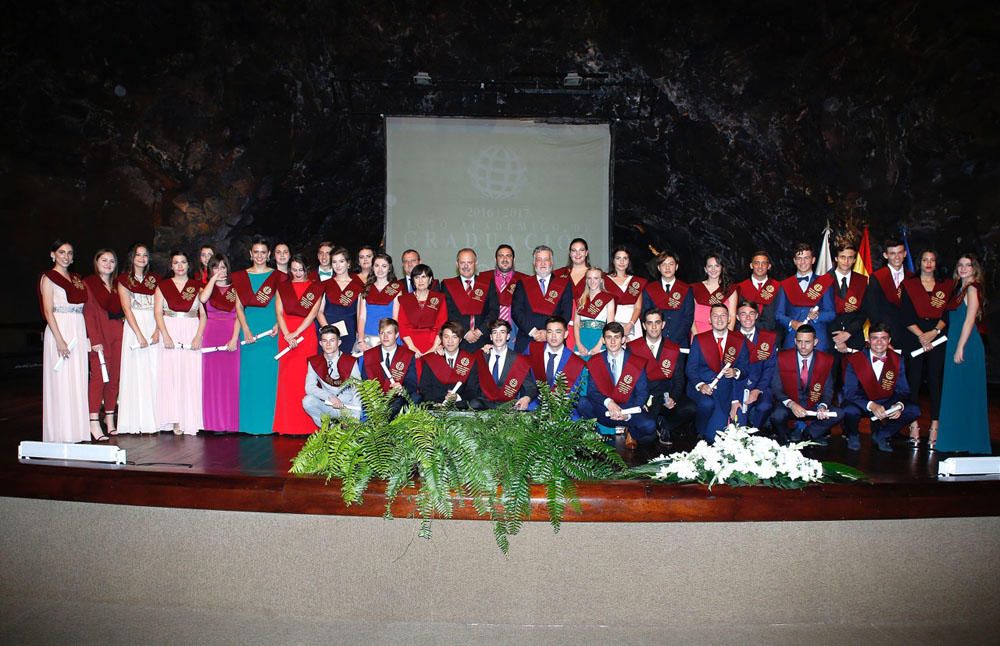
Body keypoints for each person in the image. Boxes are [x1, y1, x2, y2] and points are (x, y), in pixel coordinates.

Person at [937, 254, 990, 454]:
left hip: (967, 344)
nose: (964, 268)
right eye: (960, 265)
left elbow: (969, 321)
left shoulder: (972, 288)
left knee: (967, 393)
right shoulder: (959, 289)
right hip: (957, 342)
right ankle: (957, 440)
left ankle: (969, 441)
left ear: (975, 269)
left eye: (968, 265)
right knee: (957, 392)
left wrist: (960, 347)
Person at [900, 250, 953, 448]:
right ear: (918, 262)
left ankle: (935, 426)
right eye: (925, 260)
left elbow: (947, 314)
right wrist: (921, 335)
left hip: (937, 338)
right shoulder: (909, 285)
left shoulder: (946, 286)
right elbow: (905, 315)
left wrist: (934, 333)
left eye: (932, 260)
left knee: (935, 381)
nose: (929, 263)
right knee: (912, 382)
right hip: (915, 338)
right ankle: (913, 425)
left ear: (937, 263)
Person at [40, 240, 91, 442]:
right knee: (61, 379)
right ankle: (61, 432)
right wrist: (59, 339)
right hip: (60, 327)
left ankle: (77, 430)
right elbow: (47, 310)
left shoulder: (75, 278)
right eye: (62, 252)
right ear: (53, 254)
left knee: (77, 378)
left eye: (70, 253)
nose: (66, 256)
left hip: (77, 325)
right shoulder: (49, 278)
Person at [842, 322, 921, 452]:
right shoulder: (855, 359)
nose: (879, 342)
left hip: (886, 402)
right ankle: (853, 435)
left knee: (914, 410)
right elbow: (850, 392)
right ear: (868, 340)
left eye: (883, 338)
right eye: (875, 338)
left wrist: (898, 405)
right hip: (862, 403)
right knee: (849, 410)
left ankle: (881, 435)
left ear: (889, 340)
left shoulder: (898, 359)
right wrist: (871, 405)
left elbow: (903, 390)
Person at [576, 322, 656, 448]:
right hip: (605, 410)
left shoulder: (636, 362)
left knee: (650, 425)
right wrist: (609, 403)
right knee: (581, 402)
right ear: (603, 340)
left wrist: (627, 414)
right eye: (609, 337)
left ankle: (632, 434)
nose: (613, 341)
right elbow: (592, 391)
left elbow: (642, 393)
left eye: (617, 337)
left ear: (623, 339)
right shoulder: (595, 361)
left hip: (628, 410)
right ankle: (596, 433)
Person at [231, 237, 281, 435]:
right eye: (256, 252)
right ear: (250, 254)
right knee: (250, 376)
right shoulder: (241, 277)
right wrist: (246, 329)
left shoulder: (278, 276)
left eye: (263, 252)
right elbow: (238, 306)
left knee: (269, 376)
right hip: (249, 329)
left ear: (269, 255)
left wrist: (278, 323)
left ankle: (269, 424)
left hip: (271, 331)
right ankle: (249, 424)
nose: (259, 256)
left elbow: (281, 303)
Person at [153, 251, 205, 435]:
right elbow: (158, 312)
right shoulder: (163, 286)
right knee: (171, 374)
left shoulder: (196, 286)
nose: (180, 266)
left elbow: (203, 315)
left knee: (191, 374)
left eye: (183, 262)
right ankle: (174, 418)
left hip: (191, 328)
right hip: (171, 328)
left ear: (188, 265)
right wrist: (165, 335)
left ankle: (190, 417)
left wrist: (198, 336)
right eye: (176, 263)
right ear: (171, 266)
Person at [273, 255, 324, 434]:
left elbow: (312, 314)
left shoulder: (315, 288)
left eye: (300, 270)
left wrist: (296, 333)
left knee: (305, 378)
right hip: (286, 333)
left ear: (307, 268)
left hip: (305, 334)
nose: (297, 273)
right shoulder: (283, 287)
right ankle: (287, 425)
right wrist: (287, 334)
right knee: (287, 379)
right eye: (294, 270)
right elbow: (279, 312)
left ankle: (307, 426)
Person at [199, 253, 250, 432]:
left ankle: (231, 423)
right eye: (215, 267)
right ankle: (213, 423)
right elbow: (202, 300)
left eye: (223, 267)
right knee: (212, 380)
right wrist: (212, 280)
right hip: (211, 334)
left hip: (230, 334)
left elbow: (239, 315)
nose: (220, 271)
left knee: (230, 380)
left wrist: (235, 338)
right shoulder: (206, 289)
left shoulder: (235, 289)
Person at [627, 309, 692, 445]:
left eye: (657, 322)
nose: (654, 327)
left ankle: (665, 425)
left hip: (664, 397)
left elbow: (679, 379)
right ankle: (653, 424)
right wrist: (638, 402)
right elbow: (628, 380)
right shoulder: (633, 348)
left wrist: (673, 398)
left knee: (690, 408)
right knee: (647, 439)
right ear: (644, 326)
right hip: (644, 399)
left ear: (663, 324)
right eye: (650, 323)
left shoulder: (673, 349)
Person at [686, 304, 750, 442]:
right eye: (715, 316)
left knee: (730, 435)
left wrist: (736, 372)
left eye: (723, 316)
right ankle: (700, 429)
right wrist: (701, 385)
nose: (719, 319)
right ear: (709, 319)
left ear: (729, 319)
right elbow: (690, 369)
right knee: (711, 435)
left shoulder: (739, 340)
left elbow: (745, 370)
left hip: (727, 392)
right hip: (704, 389)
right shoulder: (700, 339)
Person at [770, 325, 841, 445]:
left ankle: (808, 434)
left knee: (839, 414)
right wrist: (791, 404)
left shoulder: (825, 360)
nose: (803, 346)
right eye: (799, 342)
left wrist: (823, 405)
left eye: (807, 342)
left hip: (814, 404)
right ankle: (785, 436)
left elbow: (828, 389)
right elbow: (776, 388)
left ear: (815, 342)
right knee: (777, 415)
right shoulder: (782, 358)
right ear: (794, 341)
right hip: (790, 404)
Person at [117, 243, 160, 434]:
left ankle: (156, 419)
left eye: (145, 255)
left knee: (154, 370)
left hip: (153, 323)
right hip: (135, 327)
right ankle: (135, 421)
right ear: (131, 258)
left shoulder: (155, 280)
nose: (142, 258)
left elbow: (161, 306)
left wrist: (158, 329)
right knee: (136, 371)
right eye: (138, 255)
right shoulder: (124, 280)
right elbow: (126, 308)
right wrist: (139, 334)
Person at [83, 248, 123, 437]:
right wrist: (94, 339)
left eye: (112, 261)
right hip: (100, 334)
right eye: (104, 260)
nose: (108, 264)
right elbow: (89, 313)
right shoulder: (89, 284)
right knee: (99, 377)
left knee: (114, 377)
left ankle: (109, 417)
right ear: (96, 262)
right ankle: (93, 421)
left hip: (118, 333)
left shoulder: (117, 285)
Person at [511, 245, 574, 353]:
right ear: (534, 263)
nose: (543, 263)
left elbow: (566, 313)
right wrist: (533, 332)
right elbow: (516, 312)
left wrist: (549, 333)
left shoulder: (563, 284)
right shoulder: (523, 283)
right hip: (527, 339)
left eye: (546, 259)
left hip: (555, 341)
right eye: (539, 260)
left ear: (552, 262)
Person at [775, 243, 835, 351]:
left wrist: (817, 316)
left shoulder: (824, 283)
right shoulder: (785, 284)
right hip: (792, 340)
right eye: (799, 258)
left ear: (813, 260)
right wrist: (791, 323)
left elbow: (831, 314)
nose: (802, 262)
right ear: (794, 261)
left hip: (818, 342)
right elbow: (779, 315)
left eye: (806, 258)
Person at [467, 319, 537, 411]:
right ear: (491, 337)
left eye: (502, 332)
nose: (498, 336)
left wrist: (526, 398)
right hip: (482, 405)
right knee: (473, 404)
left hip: (508, 405)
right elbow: (471, 385)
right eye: (495, 332)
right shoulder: (482, 357)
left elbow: (531, 387)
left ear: (508, 336)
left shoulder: (518, 360)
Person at [829, 243, 869, 395]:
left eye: (850, 258)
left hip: (854, 336)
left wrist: (848, 333)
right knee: (829, 381)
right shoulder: (824, 280)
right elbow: (824, 311)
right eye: (842, 257)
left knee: (853, 384)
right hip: (830, 336)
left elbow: (865, 311)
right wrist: (837, 337)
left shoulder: (862, 281)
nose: (846, 261)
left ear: (854, 260)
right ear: (836, 259)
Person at [302, 325, 362, 427]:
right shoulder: (314, 362)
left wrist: (355, 419)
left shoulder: (350, 361)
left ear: (339, 342)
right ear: (320, 343)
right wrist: (330, 397)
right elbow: (309, 387)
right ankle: (329, 428)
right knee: (307, 401)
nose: (328, 344)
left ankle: (346, 427)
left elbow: (357, 390)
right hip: (329, 404)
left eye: (332, 340)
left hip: (347, 407)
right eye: (325, 341)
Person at [440, 248, 498, 352]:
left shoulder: (487, 284)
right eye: (462, 262)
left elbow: (494, 311)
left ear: (475, 263)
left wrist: (480, 331)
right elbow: (448, 312)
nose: (466, 266)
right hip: (458, 340)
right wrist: (465, 332)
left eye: (469, 262)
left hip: (483, 340)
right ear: (457, 264)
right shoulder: (448, 285)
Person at [360, 317, 419, 418]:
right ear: (379, 335)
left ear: (396, 335)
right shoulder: (369, 355)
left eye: (389, 333)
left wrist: (402, 389)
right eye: (382, 333)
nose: (385, 336)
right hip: (375, 401)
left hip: (399, 399)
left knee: (416, 398)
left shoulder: (407, 355)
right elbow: (365, 382)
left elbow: (412, 383)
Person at [735, 300, 777, 431]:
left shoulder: (767, 338)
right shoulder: (731, 337)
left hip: (760, 385)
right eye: (743, 314)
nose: (748, 318)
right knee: (739, 422)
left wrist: (758, 389)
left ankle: (755, 430)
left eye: (751, 314)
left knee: (764, 406)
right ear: (737, 317)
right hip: (737, 387)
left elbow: (770, 368)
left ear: (757, 316)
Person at [418, 321, 479, 407]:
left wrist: (457, 397)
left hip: (460, 407)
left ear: (460, 339)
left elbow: (473, 389)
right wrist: (435, 403)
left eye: (454, 337)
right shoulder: (432, 359)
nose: (450, 341)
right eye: (446, 337)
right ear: (441, 339)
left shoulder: (469, 360)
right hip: (435, 406)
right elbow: (424, 387)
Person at [317, 246, 365, 354]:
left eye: (341, 261)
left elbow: (360, 314)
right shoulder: (325, 285)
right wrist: (329, 331)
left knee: (348, 365)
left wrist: (360, 336)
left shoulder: (358, 285)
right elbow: (319, 312)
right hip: (328, 330)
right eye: (334, 262)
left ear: (348, 263)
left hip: (349, 331)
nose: (338, 265)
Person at [865, 239, 913, 345]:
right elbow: (873, 309)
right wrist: (882, 337)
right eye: (892, 253)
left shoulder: (912, 278)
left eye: (900, 253)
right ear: (885, 255)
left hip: (909, 334)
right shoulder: (877, 277)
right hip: (886, 334)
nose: (897, 257)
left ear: (905, 254)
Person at [642, 250, 694, 348]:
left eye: (671, 264)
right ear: (658, 268)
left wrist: (675, 340)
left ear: (676, 267)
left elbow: (688, 318)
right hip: (655, 342)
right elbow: (645, 315)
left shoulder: (686, 289)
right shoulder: (649, 289)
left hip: (680, 342)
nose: (667, 268)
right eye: (663, 264)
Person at [397, 263, 447, 357]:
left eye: (424, 277)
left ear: (430, 279)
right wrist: (412, 348)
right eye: (417, 277)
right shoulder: (405, 299)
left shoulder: (439, 298)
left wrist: (433, 348)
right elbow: (402, 325)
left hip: (434, 344)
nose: (420, 281)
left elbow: (441, 324)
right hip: (410, 345)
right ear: (413, 280)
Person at [527, 316, 587, 394]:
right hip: (534, 400)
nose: (553, 336)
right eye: (549, 332)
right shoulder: (533, 349)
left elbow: (574, 392)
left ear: (565, 334)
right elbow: (522, 374)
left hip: (563, 403)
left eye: (558, 332)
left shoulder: (575, 362)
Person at [357, 252, 403, 352]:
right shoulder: (366, 289)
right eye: (377, 266)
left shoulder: (396, 290)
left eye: (384, 266)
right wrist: (361, 340)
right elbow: (362, 317)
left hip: (388, 338)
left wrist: (387, 339)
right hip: (367, 338)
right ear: (372, 268)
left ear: (389, 268)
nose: (380, 269)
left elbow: (395, 318)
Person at [604, 246, 646, 342]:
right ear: (613, 261)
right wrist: (613, 326)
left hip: (632, 323)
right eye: (618, 258)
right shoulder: (605, 281)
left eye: (625, 258)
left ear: (629, 261)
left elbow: (638, 307)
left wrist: (630, 325)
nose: (622, 262)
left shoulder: (636, 282)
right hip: (612, 321)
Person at [573, 267, 615, 358]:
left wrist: (599, 345)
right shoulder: (581, 299)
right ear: (586, 281)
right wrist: (578, 343)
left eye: (596, 278)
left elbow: (610, 325)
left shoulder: (608, 299)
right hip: (582, 337)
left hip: (600, 338)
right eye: (589, 278)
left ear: (601, 280)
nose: (592, 281)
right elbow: (576, 323)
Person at [691, 254, 737, 336]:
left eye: (717, 266)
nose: (713, 269)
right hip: (699, 333)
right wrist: (695, 336)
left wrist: (728, 337)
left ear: (722, 268)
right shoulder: (695, 288)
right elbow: (690, 316)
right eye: (710, 266)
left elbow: (732, 316)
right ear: (705, 269)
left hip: (722, 335)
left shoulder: (729, 289)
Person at [734, 250, 780, 333]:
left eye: (764, 263)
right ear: (751, 265)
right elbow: (735, 314)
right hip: (744, 333)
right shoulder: (739, 288)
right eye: (756, 263)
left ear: (769, 266)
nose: (760, 266)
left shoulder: (778, 287)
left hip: (771, 334)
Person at [490, 244, 525, 343]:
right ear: (495, 259)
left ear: (514, 259)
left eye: (508, 256)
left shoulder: (524, 280)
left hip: (515, 331)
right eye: (501, 256)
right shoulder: (484, 279)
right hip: (490, 331)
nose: (505, 259)